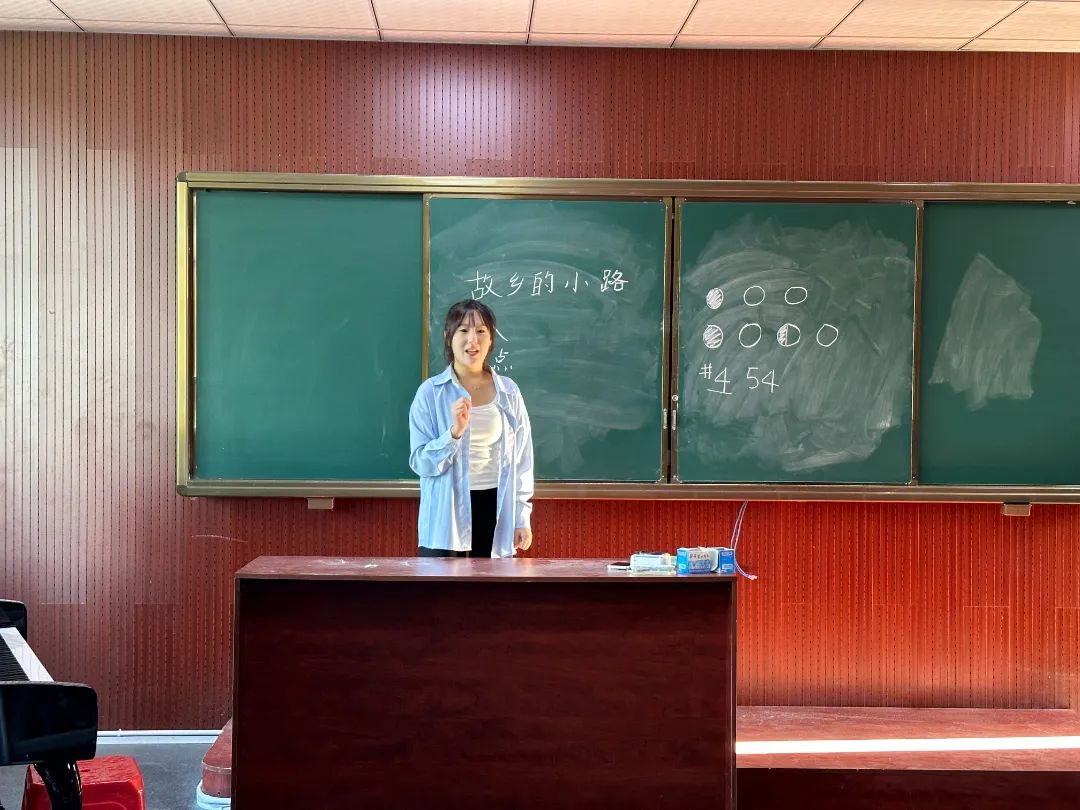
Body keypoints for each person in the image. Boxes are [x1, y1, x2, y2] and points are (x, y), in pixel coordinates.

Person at [408, 299, 534, 557]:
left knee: (491, 584)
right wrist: (453, 434)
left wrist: (522, 518)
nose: (472, 340)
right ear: (448, 336)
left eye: (481, 331)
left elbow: (523, 460)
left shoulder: (509, 392)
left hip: (496, 508)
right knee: (441, 583)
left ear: (491, 338)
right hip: (446, 513)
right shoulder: (430, 393)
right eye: (463, 330)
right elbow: (420, 463)